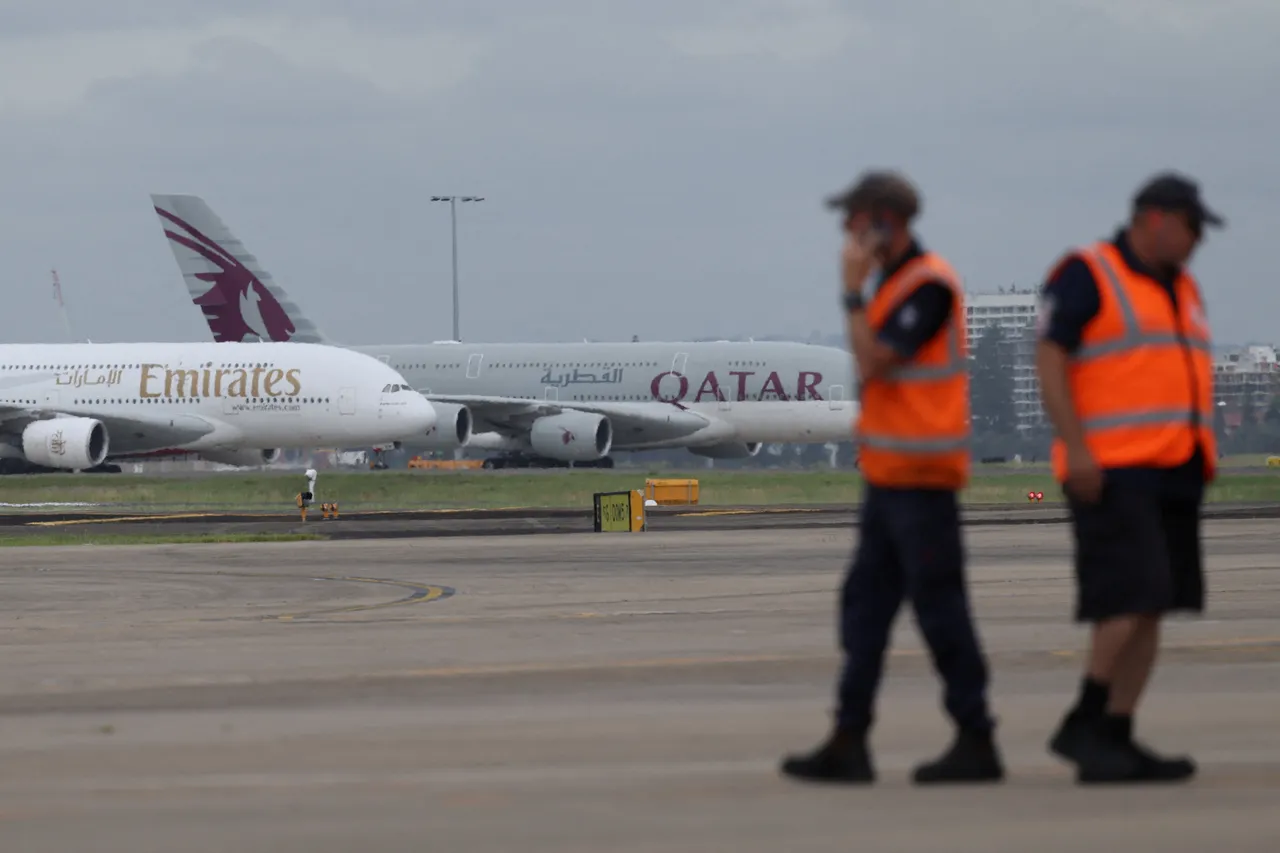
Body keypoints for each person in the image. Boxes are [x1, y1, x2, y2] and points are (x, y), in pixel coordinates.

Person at [780, 170, 1003, 785]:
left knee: (938, 608)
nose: (845, 231)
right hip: (890, 476)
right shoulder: (895, 283)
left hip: (923, 477)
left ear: (883, 219)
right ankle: (849, 740)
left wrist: (850, 295)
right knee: (864, 609)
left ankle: (976, 736)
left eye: (851, 218)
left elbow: (876, 362)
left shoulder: (924, 285)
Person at [1035, 171, 1223, 783]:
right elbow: (1050, 356)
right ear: (1157, 220)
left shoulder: (1181, 286)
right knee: (1126, 598)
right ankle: (1084, 720)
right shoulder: (1089, 273)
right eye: (1193, 228)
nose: (1198, 242)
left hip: (1175, 468)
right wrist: (1077, 447)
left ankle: (1114, 734)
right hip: (1113, 471)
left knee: (1154, 604)